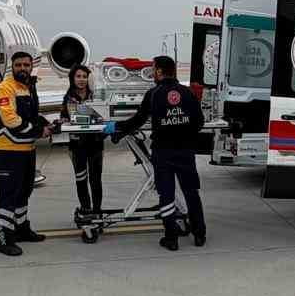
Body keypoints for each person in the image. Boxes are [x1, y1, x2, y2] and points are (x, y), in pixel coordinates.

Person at [107, 54, 206, 251]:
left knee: (166, 194)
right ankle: (199, 234)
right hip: (185, 151)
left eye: (153, 69)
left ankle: (171, 238)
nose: (152, 72)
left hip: (164, 152)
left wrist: (116, 127)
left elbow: (137, 121)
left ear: (159, 71)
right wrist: (184, 133)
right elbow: (200, 122)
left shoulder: (153, 94)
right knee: (191, 192)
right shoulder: (188, 93)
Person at [0, 50, 52, 256]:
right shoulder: (5, 88)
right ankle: (5, 238)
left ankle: (21, 229)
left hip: (27, 149)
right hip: (8, 150)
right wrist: (38, 130)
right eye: (18, 65)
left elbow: (32, 115)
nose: (23, 69)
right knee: (8, 194)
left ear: (31, 66)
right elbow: (11, 120)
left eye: (26, 65)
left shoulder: (28, 87)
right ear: (12, 67)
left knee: (24, 192)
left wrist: (47, 124)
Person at [59, 63, 105, 231]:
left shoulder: (96, 95)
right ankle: (86, 210)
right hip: (77, 146)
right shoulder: (68, 97)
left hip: (95, 144)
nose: (81, 80)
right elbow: (64, 116)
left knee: (96, 180)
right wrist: (64, 121)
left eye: (84, 76)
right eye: (78, 76)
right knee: (81, 179)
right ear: (72, 78)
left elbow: (102, 116)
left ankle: (97, 212)